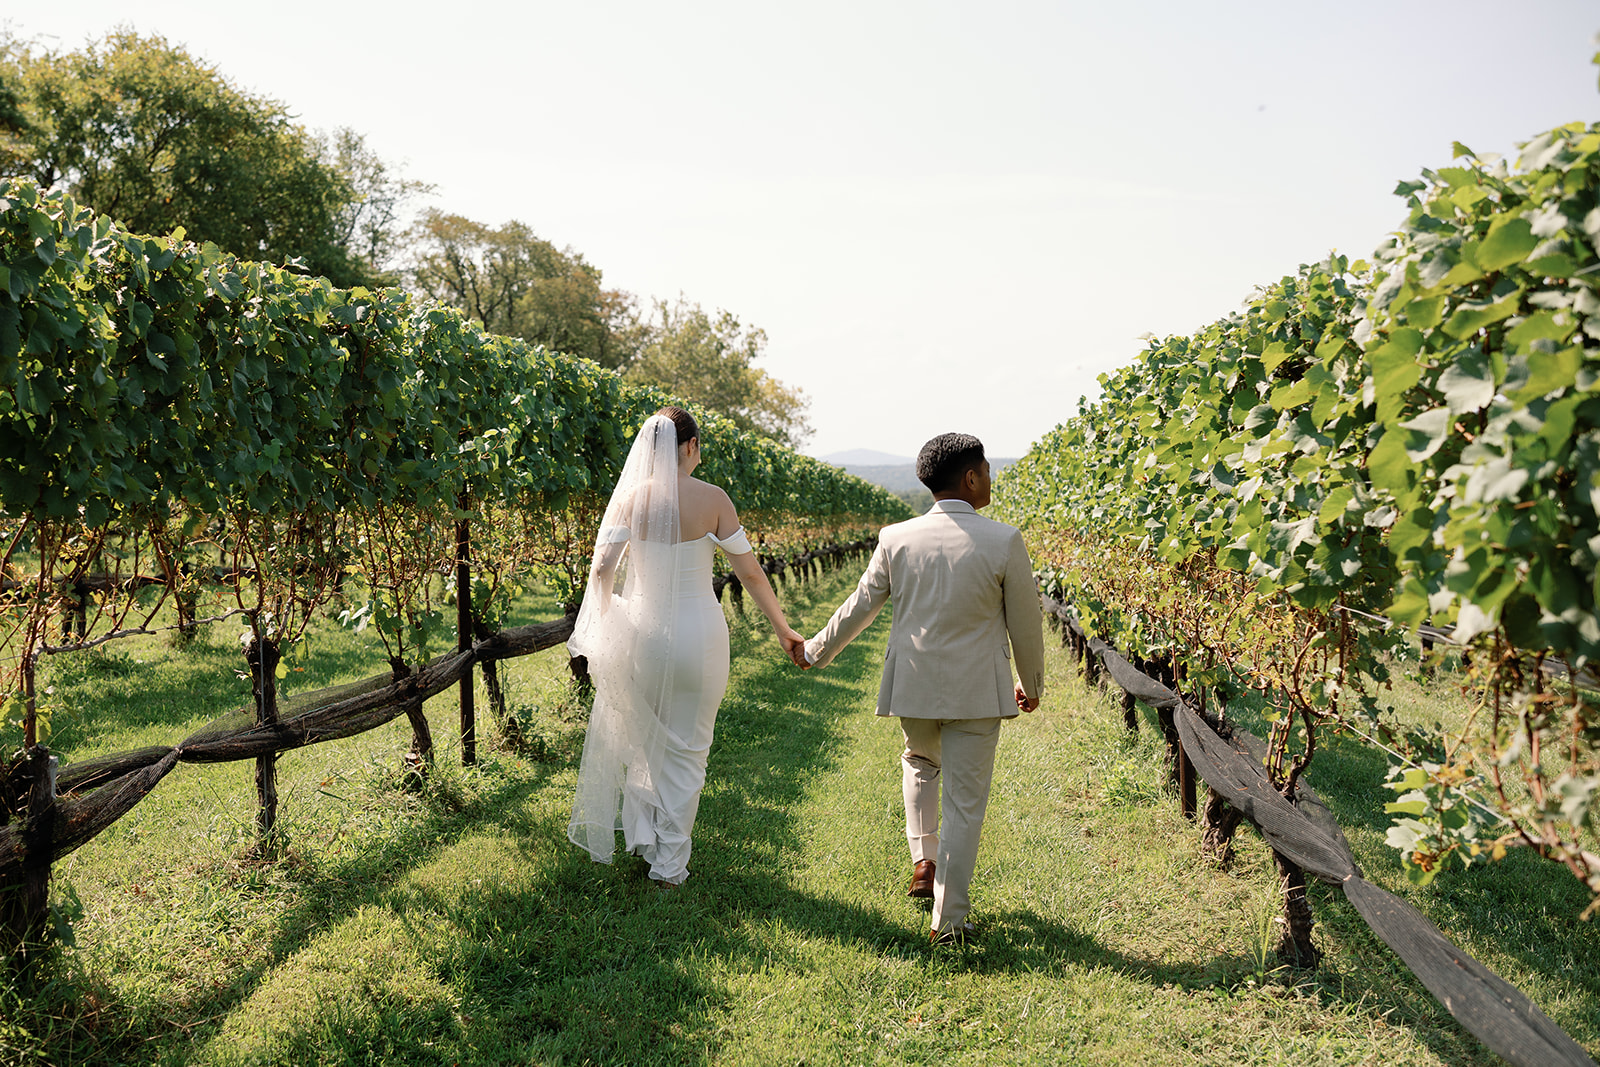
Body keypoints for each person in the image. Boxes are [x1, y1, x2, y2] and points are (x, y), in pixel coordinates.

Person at [794, 432, 1045, 943]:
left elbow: (860, 606)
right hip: (977, 692)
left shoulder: (896, 537)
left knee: (920, 762)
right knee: (966, 804)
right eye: (987, 470)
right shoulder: (1004, 540)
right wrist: (1031, 682)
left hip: (913, 686)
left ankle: (923, 859)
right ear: (971, 478)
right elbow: (1026, 625)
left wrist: (815, 650)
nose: (990, 479)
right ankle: (948, 921)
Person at [567, 407, 808, 888]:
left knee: (649, 740)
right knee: (690, 748)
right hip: (699, 634)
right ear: (691, 446)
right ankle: (669, 865)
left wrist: (609, 620)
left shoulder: (631, 500)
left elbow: (600, 573)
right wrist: (783, 628)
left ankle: (652, 842)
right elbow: (751, 573)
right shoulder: (714, 499)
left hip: (643, 636)